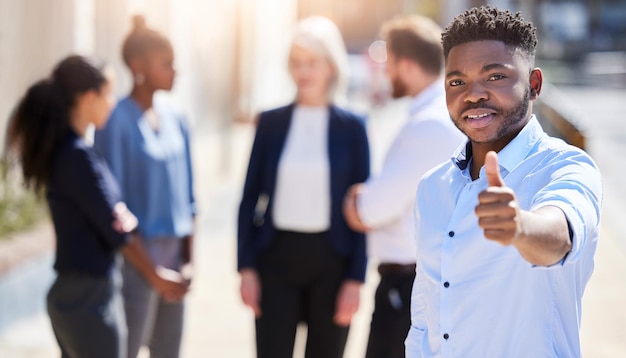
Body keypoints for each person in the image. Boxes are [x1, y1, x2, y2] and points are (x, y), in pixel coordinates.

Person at [405, 6, 603, 357]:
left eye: (494, 76)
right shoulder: (431, 186)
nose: (473, 94)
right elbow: (425, 312)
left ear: (534, 84)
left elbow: (561, 235)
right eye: (456, 81)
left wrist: (520, 228)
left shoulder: (567, 166)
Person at [5, 55, 187, 358]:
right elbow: (116, 227)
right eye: (109, 93)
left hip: (84, 294)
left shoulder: (76, 150)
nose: (113, 102)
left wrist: (120, 216)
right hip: (87, 298)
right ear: (89, 98)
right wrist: (154, 274)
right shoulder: (76, 155)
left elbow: (115, 216)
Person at [237, 16, 370, 358]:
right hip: (276, 259)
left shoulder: (353, 127)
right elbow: (249, 198)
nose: (303, 71)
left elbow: (363, 206)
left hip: (333, 263)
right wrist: (247, 268)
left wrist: (355, 280)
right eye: (296, 63)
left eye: (312, 62)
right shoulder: (270, 123)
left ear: (331, 65)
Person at [342, 15, 464, 358]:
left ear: (407, 65)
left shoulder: (426, 126)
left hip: (408, 289)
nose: (384, 72)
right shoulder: (443, 116)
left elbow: (368, 210)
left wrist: (355, 197)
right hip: (424, 284)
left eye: (388, 62)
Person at [94, 16, 196, 358]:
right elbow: (113, 208)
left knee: (169, 351)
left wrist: (188, 262)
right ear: (138, 66)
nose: (175, 71)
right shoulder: (116, 122)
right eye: (166, 64)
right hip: (135, 261)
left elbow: (190, 198)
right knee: (125, 349)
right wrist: (152, 273)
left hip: (176, 260)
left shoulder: (177, 118)